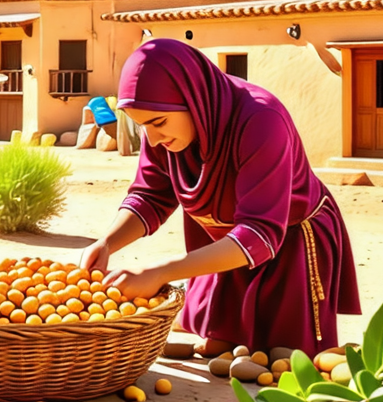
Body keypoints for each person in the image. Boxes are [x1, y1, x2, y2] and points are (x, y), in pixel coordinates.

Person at [80, 39, 360, 354]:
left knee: (281, 355)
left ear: (193, 99)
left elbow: (260, 231)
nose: (154, 139)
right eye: (143, 126)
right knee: (221, 346)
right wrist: (107, 243)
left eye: (159, 123)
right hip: (223, 247)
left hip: (288, 241)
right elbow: (151, 195)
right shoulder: (161, 130)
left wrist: (160, 272)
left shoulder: (262, 121)